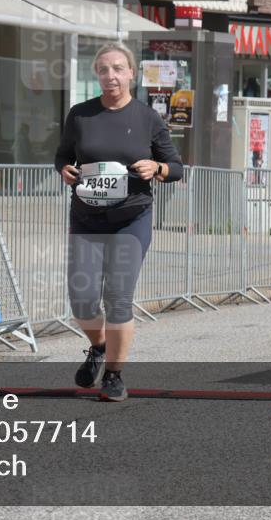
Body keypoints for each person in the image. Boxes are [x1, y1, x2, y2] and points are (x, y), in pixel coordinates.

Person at [55, 42, 184, 402]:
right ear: (96, 75)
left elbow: (176, 167)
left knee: (118, 298)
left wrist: (157, 167)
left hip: (132, 218)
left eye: (117, 68)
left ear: (130, 73)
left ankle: (113, 374)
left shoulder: (147, 118)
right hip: (86, 218)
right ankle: (99, 346)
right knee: (81, 300)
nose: (109, 75)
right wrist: (64, 169)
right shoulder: (80, 115)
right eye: (102, 69)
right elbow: (63, 155)